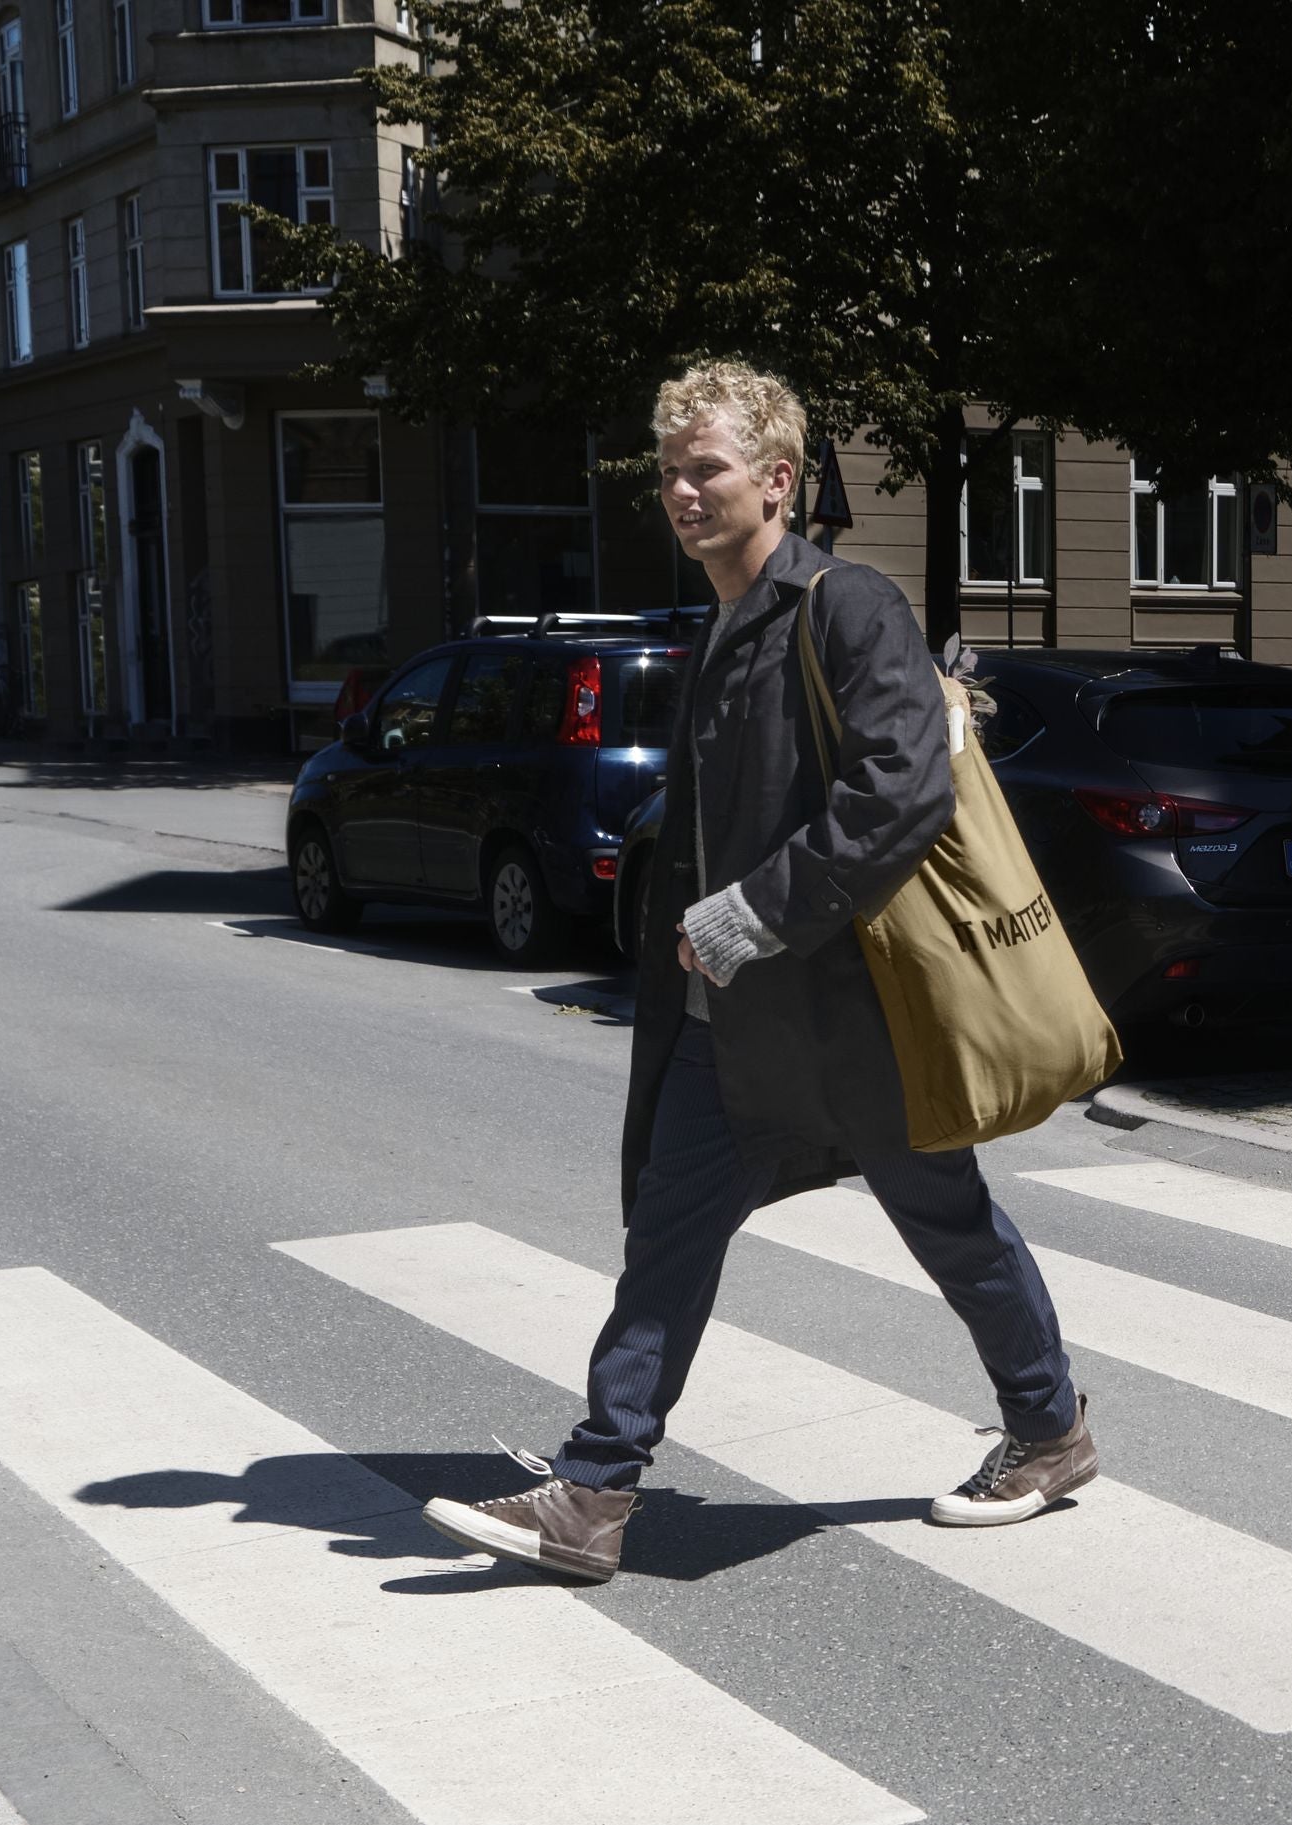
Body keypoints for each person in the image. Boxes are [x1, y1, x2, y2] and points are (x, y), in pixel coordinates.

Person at [422, 361, 1096, 1583]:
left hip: (853, 1022)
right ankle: (592, 1492)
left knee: (951, 1227)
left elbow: (901, 788)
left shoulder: (847, 606)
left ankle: (1049, 1431)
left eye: (706, 469)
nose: (680, 491)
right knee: (665, 1249)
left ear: (776, 481)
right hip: (727, 1027)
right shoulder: (725, 625)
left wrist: (747, 915)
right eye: (669, 471)